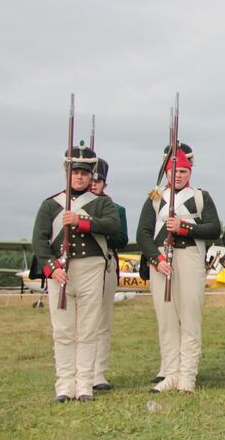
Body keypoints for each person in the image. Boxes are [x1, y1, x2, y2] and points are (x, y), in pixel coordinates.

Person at [32, 143, 120, 402]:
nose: (79, 176)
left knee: (88, 328)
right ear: (67, 173)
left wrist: (81, 222)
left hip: (91, 268)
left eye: (84, 172)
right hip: (61, 270)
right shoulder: (51, 205)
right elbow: (39, 240)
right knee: (63, 330)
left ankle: (84, 384)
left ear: (91, 175)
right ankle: (64, 384)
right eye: (75, 171)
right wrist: (50, 267)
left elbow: (113, 225)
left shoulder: (101, 204)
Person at [137, 143, 221, 394]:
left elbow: (215, 229)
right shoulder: (155, 197)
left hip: (190, 257)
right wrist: (156, 258)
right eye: (174, 171)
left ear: (190, 173)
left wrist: (186, 228)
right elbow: (143, 233)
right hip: (161, 261)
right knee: (166, 320)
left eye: (183, 171)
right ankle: (171, 373)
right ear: (166, 173)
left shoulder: (200, 196)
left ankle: (187, 375)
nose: (178, 175)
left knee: (190, 317)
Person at [90, 158, 129, 392]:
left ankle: (98, 372)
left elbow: (121, 239)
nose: (94, 184)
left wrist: (95, 227)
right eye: (91, 179)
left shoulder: (117, 209)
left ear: (105, 183)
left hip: (106, 264)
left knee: (102, 322)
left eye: (99, 180)